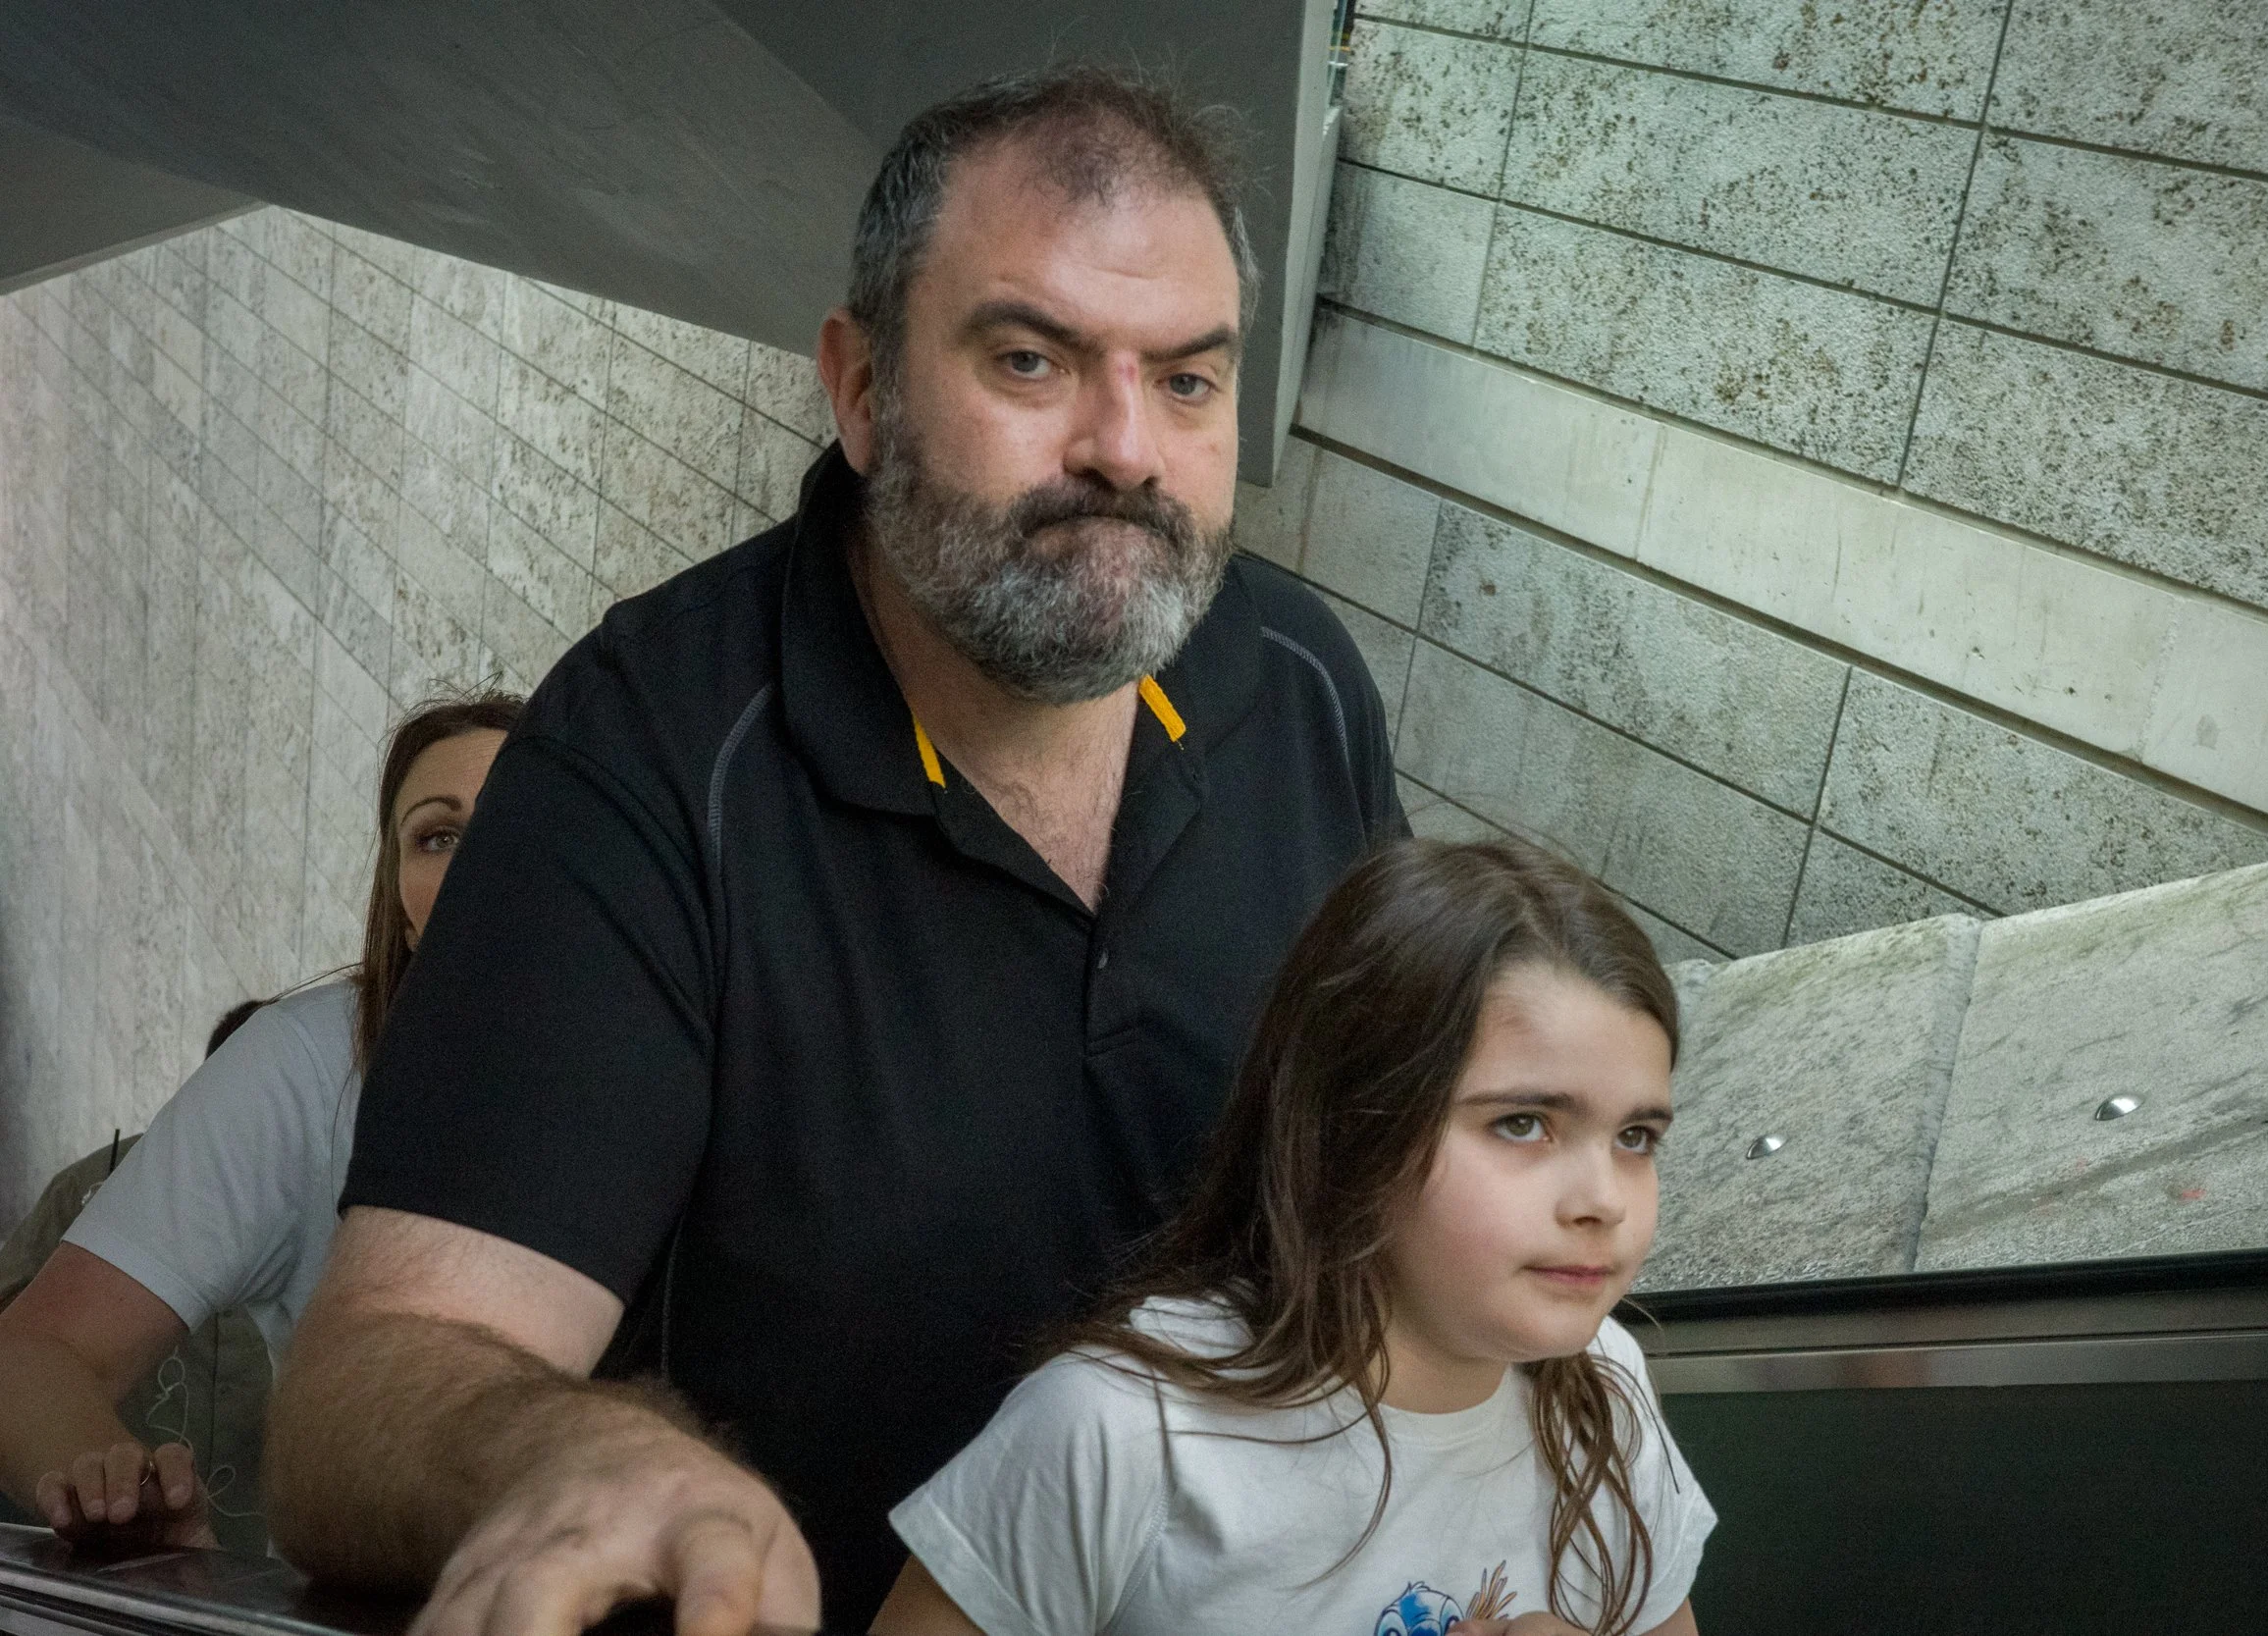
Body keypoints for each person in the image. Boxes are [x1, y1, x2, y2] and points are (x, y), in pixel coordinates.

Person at [267, 63, 1401, 1636]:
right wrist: (580, 1454)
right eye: (1032, 357)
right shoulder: (645, 758)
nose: (1127, 448)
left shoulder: (1303, 685)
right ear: (863, 390)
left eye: (1190, 380)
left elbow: (1395, 1166)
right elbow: (360, 1386)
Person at [869, 838, 1711, 1636]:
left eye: (1637, 1136)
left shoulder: (1606, 1389)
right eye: (1523, 1122)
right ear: (1349, 1127)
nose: (1603, 1198)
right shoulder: (1117, 1432)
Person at [0, 689, 524, 1549]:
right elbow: (31, 1351)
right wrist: (115, 1489)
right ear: (397, 894)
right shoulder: (308, 1066)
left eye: (517, 818)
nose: (477, 861)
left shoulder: (701, 1039)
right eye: (437, 835)